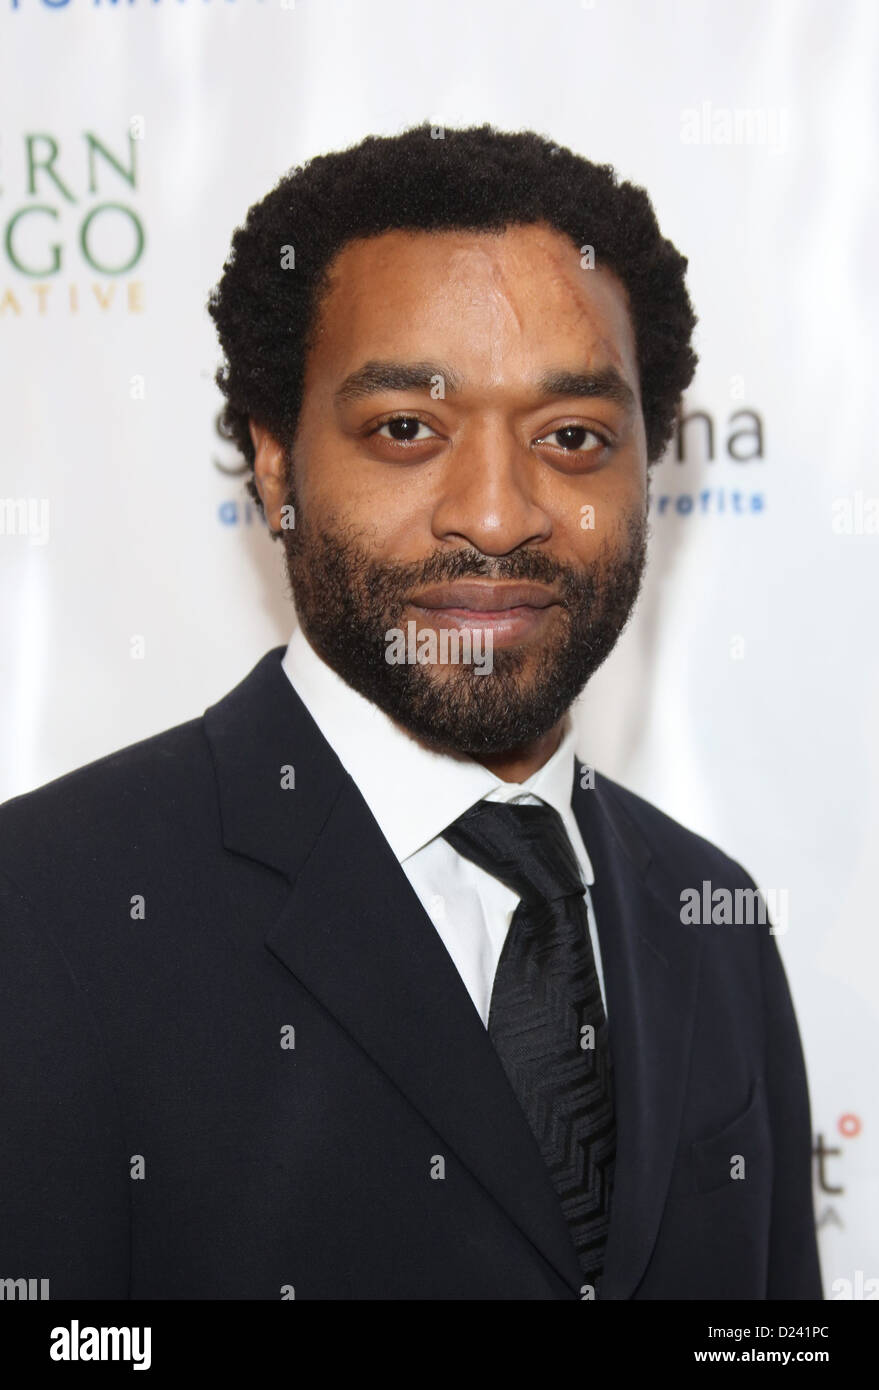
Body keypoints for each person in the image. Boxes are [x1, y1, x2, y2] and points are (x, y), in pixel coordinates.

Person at [0, 123, 821, 1300]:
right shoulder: (46, 914)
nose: (496, 515)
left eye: (573, 437)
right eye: (406, 431)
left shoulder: (713, 918)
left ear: (651, 466)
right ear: (274, 464)